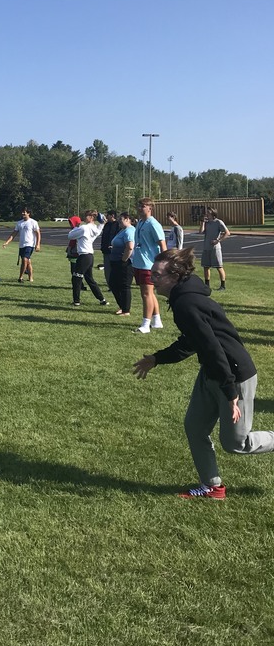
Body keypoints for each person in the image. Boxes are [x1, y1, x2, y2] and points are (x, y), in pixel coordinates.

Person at [133, 248, 274, 499]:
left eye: (157, 274)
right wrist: (157, 359)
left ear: (174, 276)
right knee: (195, 427)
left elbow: (213, 348)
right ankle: (212, 487)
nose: (151, 278)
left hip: (234, 375)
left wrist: (230, 393)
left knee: (236, 444)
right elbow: (193, 342)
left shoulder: (187, 303)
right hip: (213, 372)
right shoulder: (183, 297)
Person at [131, 198, 167, 334]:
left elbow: (162, 244)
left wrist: (163, 263)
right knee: (148, 293)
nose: (140, 208)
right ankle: (157, 320)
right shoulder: (140, 222)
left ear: (150, 208)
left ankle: (145, 324)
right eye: (139, 205)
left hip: (149, 264)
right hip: (139, 262)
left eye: (143, 206)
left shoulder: (153, 224)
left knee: (146, 294)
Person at [67, 210, 108, 308]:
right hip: (90, 256)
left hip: (84, 256)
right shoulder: (95, 228)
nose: (84, 218)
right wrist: (102, 223)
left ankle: (76, 301)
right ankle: (102, 300)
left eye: (86, 216)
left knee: (76, 278)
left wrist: (76, 227)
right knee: (90, 279)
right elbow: (99, 229)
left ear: (91, 217)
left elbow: (70, 236)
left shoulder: (84, 228)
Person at [2, 208, 41, 282]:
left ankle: (20, 277)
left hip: (30, 244)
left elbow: (38, 233)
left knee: (24, 259)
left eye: (24, 212)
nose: (23, 214)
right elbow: (14, 234)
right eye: (22, 212)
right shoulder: (19, 223)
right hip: (21, 245)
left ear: (28, 213)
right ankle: (30, 278)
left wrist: (38, 244)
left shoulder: (33, 222)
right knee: (28, 261)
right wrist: (7, 242)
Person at [108, 211, 135, 316]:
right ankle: (122, 306)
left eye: (121, 219)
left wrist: (124, 260)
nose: (119, 221)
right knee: (113, 284)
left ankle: (126, 310)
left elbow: (130, 247)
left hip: (125, 263)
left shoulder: (129, 231)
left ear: (127, 220)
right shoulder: (123, 230)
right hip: (116, 261)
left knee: (124, 286)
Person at [200, 208, 230, 291]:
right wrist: (202, 222)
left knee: (219, 266)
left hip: (215, 248)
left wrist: (218, 240)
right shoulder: (206, 223)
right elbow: (201, 232)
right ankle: (207, 285)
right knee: (206, 267)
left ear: (213, 214)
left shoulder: (218, 222)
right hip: (206, 247)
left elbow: (227, 233)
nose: (207, 214)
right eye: (206, 213)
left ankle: (223, 285)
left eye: (208, 213)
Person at [99, 210, 119, 287]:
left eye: (108, 215)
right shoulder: (107, 225)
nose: (106, 217)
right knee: (107, 270)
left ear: (112, 216)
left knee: (115, 269)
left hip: (114, 251)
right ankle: (110, 285)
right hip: (106, 250)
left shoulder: (117, 225)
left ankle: (116, 284)